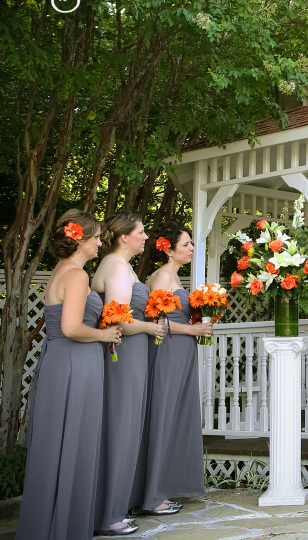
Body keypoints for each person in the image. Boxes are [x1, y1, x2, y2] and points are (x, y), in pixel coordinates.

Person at [16, 210, 123, 540]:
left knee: (57, 444)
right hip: (75, 365)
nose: (100, 243)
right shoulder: (76, 275)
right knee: (74, 442)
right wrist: (105, 335)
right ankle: (66, 529)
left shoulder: (60, 271)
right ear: (81, 240)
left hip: (61, 363)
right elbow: (72, 327)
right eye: (97, 238)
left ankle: (51, 525)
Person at [92, 213, 168, 534]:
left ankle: (117, 505)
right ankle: (109, 514)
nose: (146, 237)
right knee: (121, 427)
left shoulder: (123, 267)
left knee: (127, 426)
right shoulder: (117, 267)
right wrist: (151, 326)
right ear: (125, 237)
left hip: (131, 352)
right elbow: (116, 319)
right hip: (122, 353)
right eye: (141, 232)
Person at [130, 222, 210, 517]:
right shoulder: (162, 276)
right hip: (167, 352)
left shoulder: (172, 275)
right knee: (163, 415)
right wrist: (194, 329)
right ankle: (151, 495)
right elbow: (157, 320)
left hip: (180, 351)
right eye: (186, 244)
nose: (191, 248)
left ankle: (160, 487)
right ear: (169, 248)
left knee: (175, 415)